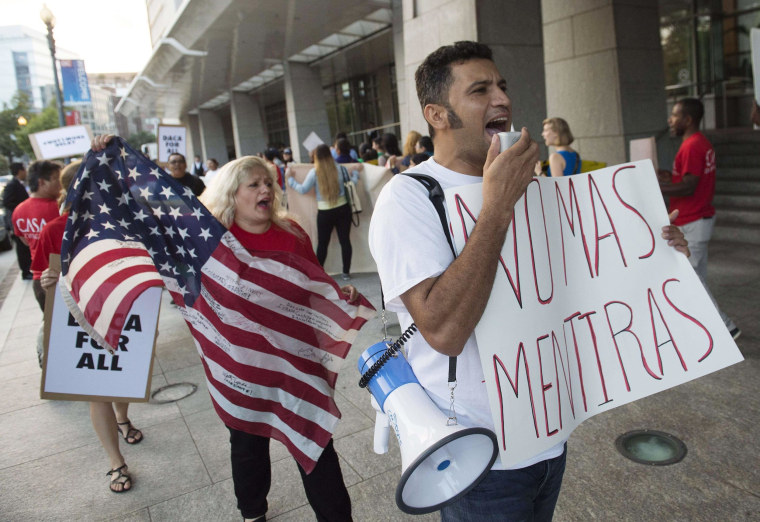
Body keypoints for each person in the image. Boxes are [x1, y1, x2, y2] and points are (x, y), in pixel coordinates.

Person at [368, 41, 690, 521]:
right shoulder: (408, 198)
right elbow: (444, 331)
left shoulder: (534, 188)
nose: (501, 99)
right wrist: (497, 206)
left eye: (502, 86)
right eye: (480, 90)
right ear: (437, 114)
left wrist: (659, 255)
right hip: (480, 459)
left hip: (549, 439)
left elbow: (578, 285)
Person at [199, 154, 359, 522]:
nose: (265, 189)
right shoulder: (215, 242)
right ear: (232, 194)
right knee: (247, 445)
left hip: (296, 362)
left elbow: (314, 281)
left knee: (316, 443)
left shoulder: (292, 232)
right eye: (253, 184)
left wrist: (339, 293)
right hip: (245, 366)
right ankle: (253, 512)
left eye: (268, 182)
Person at [37, 157, 144, 494]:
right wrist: (47, 280)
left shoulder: (123, 223)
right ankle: (116, 462)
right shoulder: (54, 230)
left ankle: (123, 418)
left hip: (121, 313)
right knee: (96, 391)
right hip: (78, 318)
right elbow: (41, 273)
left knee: (122, 383)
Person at [658, 97, 740, 340]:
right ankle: (710, 325)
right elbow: (687, 180)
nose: (670, 120)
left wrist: (656, 186)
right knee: (697, 276)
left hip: (692, 219)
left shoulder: (693, 145)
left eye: (674, 115)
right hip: (698, 218)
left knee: (689, 277)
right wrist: (667, 179)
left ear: (688, 119)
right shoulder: (699, 143)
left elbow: (689, 186)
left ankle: (725, 327)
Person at [286, 144, 360, 281]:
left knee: (322, 244)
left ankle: (318, 273)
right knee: (345, 241)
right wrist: (356, 172)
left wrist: (290, 179)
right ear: (330, 155)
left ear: (316, 157)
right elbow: (352, 184)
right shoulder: (341, 169)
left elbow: (303, 190)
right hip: (343, 210)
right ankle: (346, 273)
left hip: (324, 213)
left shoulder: (314, 172)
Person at [12, 160, 62, 310]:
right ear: (41, 182)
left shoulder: (18, 210)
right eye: (55, 178)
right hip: (59, 278)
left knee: (50, 329)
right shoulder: (58, 208)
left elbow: (25, 241)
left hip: (38, 280)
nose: (60, 183)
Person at [2, 162, 33, 280]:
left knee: (25, 247)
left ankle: (28, 270)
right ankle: (25, 272)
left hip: (22, 220)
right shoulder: (12, 185)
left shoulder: (19, 184)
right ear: (20, 171)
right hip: (17, 221)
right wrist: (22, 209)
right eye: (24, 169)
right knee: (21, 247)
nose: (26, 171)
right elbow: (7, 202)